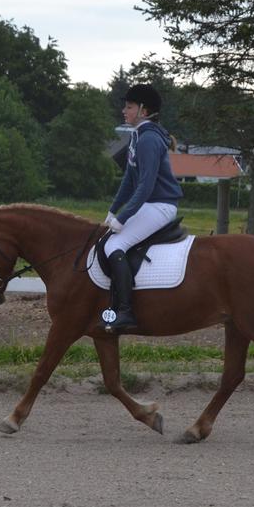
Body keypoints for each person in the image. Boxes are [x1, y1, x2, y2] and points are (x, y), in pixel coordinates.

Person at [101, 84, 183, 333]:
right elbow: (129, 180)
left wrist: (124, 217)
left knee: (114, 245)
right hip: (151, 204)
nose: (123, 110)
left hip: (159, 206)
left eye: (129, 107)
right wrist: (113, 210)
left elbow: (145, 187)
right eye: (125, 106)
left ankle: (125, 312)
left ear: (143, 111)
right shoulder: (138, 136)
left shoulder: (147, 139)